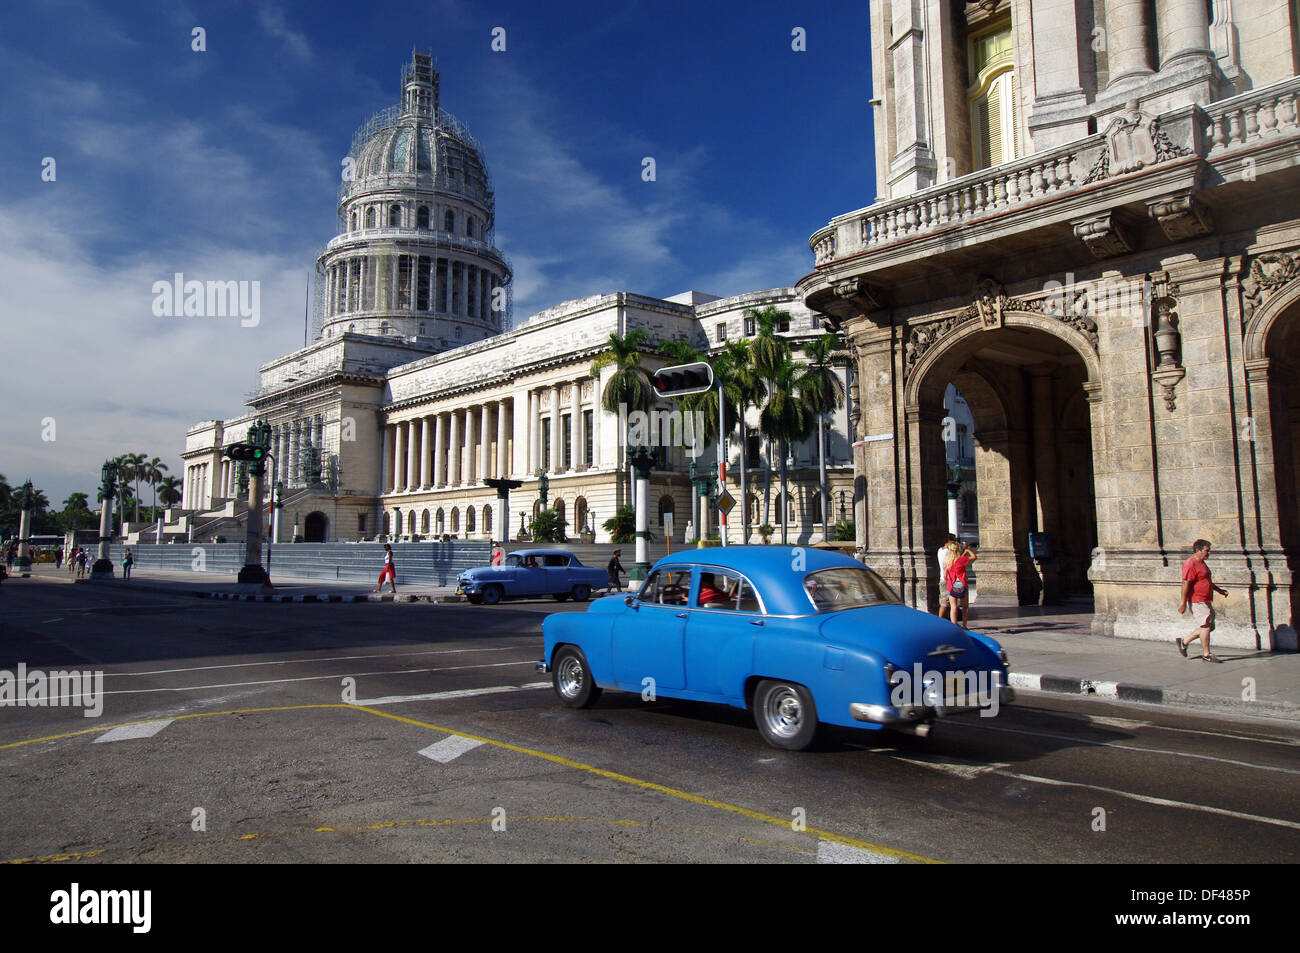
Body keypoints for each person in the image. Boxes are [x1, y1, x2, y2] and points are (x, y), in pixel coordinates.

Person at [1177, 539, 1228, 662]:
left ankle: (1184, 641)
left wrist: (1219, 590)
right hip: (1197, 600)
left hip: (1205, 599)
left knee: (1209, 626)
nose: (1208, 553)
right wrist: (1183, 602)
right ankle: (1207, 654)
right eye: (1206, 551)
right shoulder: (1190, 564)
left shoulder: (1202, 563)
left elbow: (1206, 581)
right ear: (1198, 550)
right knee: (1205, 626)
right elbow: (1185, 584)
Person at [945, 542, 977, 629]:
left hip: (951, 585)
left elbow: (945, 575)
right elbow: (974, 557)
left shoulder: (947, 561)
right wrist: (968, 550)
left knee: (953, 606)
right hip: (961, 584)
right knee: (965, 607)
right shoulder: (961, 560)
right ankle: (964, 625)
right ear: (958, 550)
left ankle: (954, 625)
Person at [936, 534, 957, 619]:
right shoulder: (948, 552)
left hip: (944, 578)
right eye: (954, 541)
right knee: (945, 602)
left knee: (946, 601)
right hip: (947, 579)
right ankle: (939, 620)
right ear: (949, 541)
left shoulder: (940, 550)